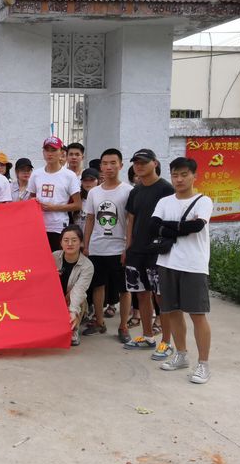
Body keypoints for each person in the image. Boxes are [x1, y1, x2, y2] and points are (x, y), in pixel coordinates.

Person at [152, 157, 214, 383]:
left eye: (184, 175)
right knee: (172, 311)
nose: (179, 179)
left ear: (194, 176)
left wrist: (168, 227)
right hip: (167, 262)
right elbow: (153, 226)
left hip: (193, 265)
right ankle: (181, 355)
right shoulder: (164, 201)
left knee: (197, 314)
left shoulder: (203, 201)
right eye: (175, 175)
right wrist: (181, 228)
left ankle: (203, 364)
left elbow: (197, 226)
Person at [123, 148, 175, 358]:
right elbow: (131, 219)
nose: (139, 166)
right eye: (136, 162)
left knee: (161, 297)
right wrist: (128, 247)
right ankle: (147, 336)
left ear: (155, 163)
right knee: (141, 294)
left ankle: (166, 341)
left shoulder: (166, 189)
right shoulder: (135, 191)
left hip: (158, 252)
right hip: (136, 251)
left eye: (143, 162)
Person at [82, 149, 133, 342]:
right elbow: (90, 219)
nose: (109, 167)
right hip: (97, 247)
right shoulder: (94, 192)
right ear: (100, 166)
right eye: (105, 163)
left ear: (121, 165)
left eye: (113, 163)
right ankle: (99, 321)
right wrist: (86, 245)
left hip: (119, 248)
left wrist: (128, 247)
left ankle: (123, 326)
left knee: (124, 289)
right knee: (98, 286)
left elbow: (131, 221)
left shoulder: (128, 191)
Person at [27, 136, 81, 251]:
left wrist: (54, 207)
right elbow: (30, 198)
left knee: (57, 259)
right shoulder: (36, 174)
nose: (50, 154)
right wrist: (32, 202)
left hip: (59, 227)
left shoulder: (69, 175)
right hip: (39, 226)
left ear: (61, 152)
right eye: (47, 150)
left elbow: (78, 205)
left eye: (53, 150)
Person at [52, 225, 94, 347]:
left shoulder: (87, 266)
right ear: (61, 243)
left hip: (71, 299)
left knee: (80, 298)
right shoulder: (54, 257)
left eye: (74, 240)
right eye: (66, 240)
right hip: (54, 298)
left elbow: (79, 290)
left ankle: (73, 329)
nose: (70, 244)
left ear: (81, 243)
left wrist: (73, 311)